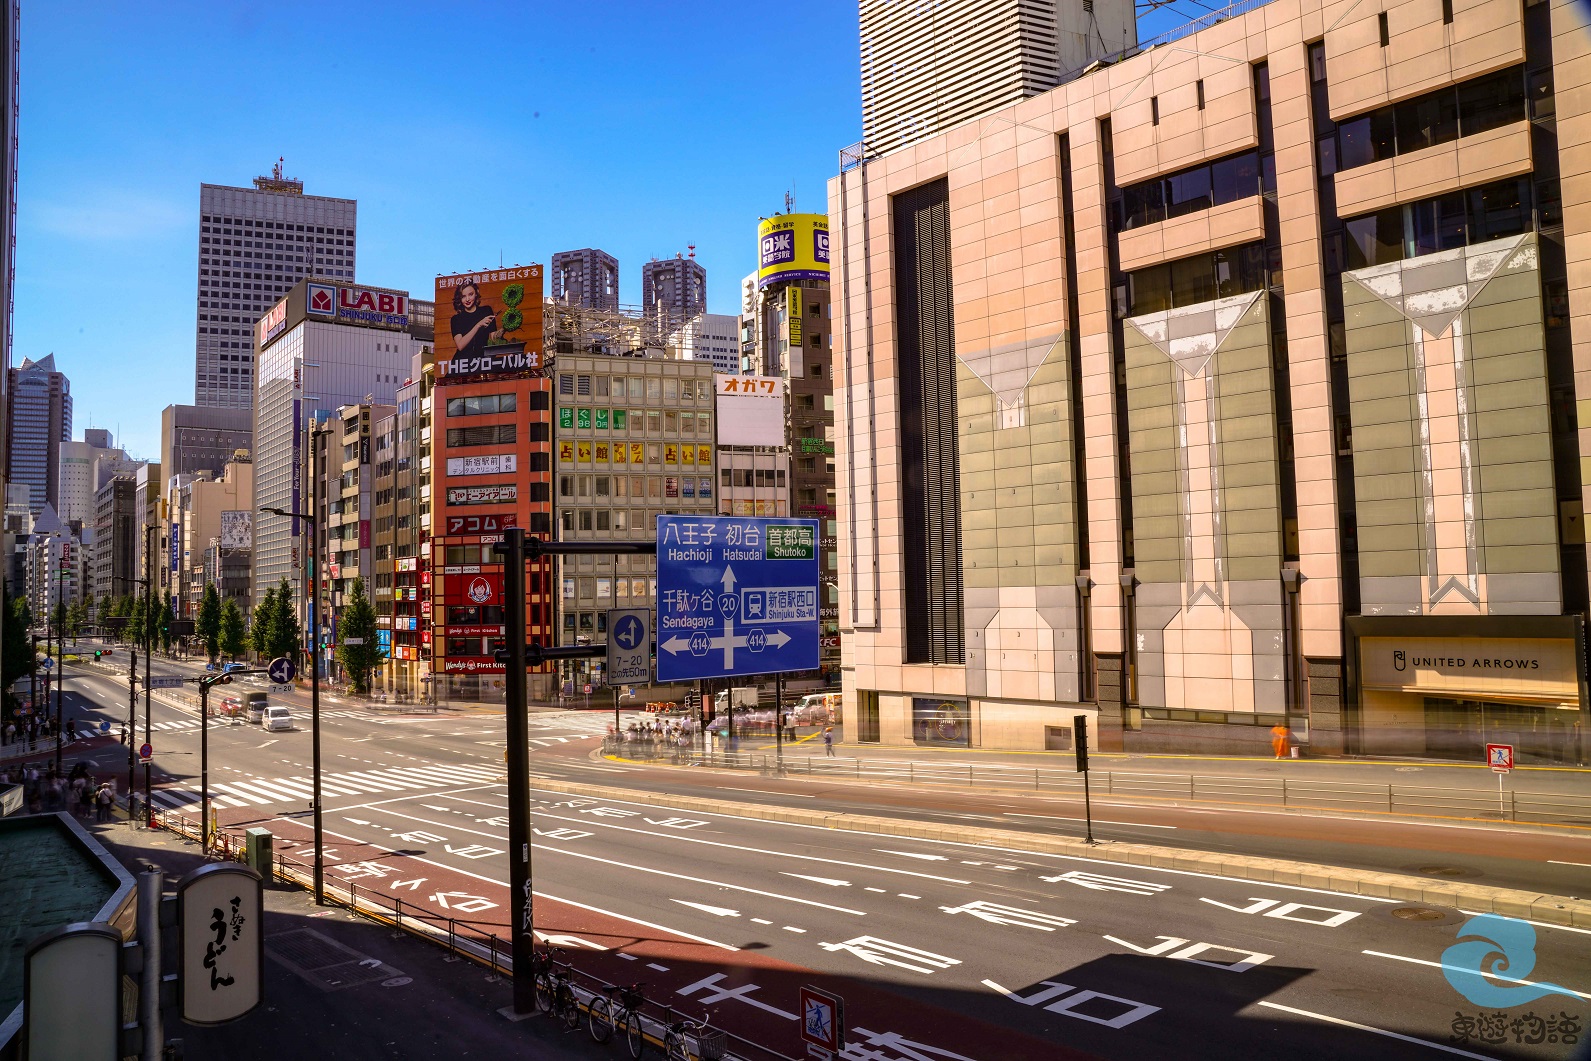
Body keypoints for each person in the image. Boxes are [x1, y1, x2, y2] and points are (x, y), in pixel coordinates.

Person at [449, 281, 502, 360]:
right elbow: (460, 345)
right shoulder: (456, 319)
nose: (467, 299)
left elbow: (494, 338)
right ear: (459, 299)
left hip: (482, 360)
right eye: (463, 296)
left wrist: (505, 329)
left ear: (476, 293)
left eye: (470, 294)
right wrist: (478, 325)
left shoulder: (486, 311)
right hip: (461, 364)